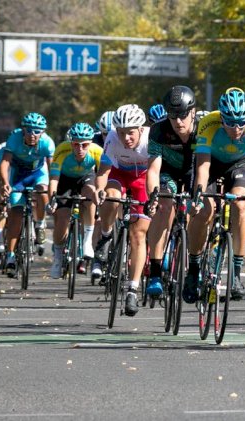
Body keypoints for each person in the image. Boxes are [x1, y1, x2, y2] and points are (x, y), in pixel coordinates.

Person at [182, 88, 245, 303]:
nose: (237, 128)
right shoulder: (208, 124)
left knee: (240, 206)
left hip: (238, 165)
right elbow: (202, 167)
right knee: (205, 210)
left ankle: (236, 275)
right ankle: (193, 269)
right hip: (211, 164)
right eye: (230, 123)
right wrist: (198, 197)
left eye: (241, 122)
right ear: (222, 119)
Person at [93, 104, 150, 317]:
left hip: (143, 178)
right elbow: (103, 171)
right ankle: (106, 236)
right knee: (111, 197)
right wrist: (100, 190)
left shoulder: (150, 141)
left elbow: (155, 172)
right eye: (122, 132)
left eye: (131, 132)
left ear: (141, 129)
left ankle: (133, 289)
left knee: (138, 234)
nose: (126, 138)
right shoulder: (112, 140)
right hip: (119, 174)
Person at [143, 86, 198, 298]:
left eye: (183, 115)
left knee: (202, 209)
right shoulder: (158, 131)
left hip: (195, 172)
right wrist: (153, 197)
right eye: (173, 116)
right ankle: (155, 272)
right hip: (169, 174)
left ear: (193, 111)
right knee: (164, 205)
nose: (178, 121)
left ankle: (198, 261)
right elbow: (153, 170)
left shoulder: (202, 128)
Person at [0, 113, 55, 276]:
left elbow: (53, 170)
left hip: (38, 174)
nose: (32, 135)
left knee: (42, 190)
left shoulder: (47, 143)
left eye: (37, 131)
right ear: (23, 130)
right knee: (16, 213)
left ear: (43, 132)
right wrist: (6, 184)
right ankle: (10, 255)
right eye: (29, 131)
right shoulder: (14, 139)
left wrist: (53, 189)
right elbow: (5, 163)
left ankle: (39, 223)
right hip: (18, 176)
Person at [47, 123, 102, 279]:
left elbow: (102, 176)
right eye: (76, 144)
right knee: (63, 218)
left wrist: (99, 192)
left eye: (84, 145)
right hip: (64, 180)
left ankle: (87, 241)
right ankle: (57, 257)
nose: (80, 148)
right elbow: (54, 179)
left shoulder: (97, 151)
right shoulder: (62, 150)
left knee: (90, 195)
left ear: (90, 143)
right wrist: (52, 199)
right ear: (70, 143)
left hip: (85, 178)